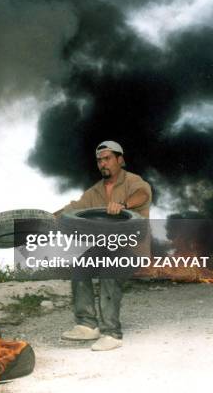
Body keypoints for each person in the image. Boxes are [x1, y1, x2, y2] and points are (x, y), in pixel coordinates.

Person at [54, 140, 151, 351]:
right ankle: (87, 325)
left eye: (107, 159)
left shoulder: (134, 182)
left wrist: (123, 205)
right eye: (99, 160)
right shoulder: (95, 191)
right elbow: (73, 209)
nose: (102, 164)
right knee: (80, 268)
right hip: (105, 245)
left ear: (120, 159)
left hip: (132, 248)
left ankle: (112, 334)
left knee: (109, 270)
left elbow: (143, 194)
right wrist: (48, 218)